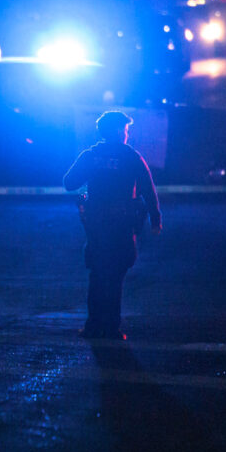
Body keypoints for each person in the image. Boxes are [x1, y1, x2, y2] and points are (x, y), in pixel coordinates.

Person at [63, 110, 161, 340]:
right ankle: (111, 328)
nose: (127, 133)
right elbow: (148, 188)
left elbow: (69, 182)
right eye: (125, 129)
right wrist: (156, 219)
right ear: (119, 131)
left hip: (96, 225)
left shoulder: (90, 155)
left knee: (97, 275)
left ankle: (93, 326)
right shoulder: (131, 156)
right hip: (121, 225)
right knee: (116, 276)